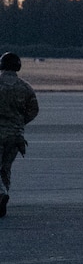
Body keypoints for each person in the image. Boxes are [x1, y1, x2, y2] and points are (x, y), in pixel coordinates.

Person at [0, 51, 39, 218]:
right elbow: (34, 110)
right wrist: (19, 124)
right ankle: (3, 197)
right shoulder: (25, 87)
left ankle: (1, 194)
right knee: (5, 168)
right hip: (16, 136)